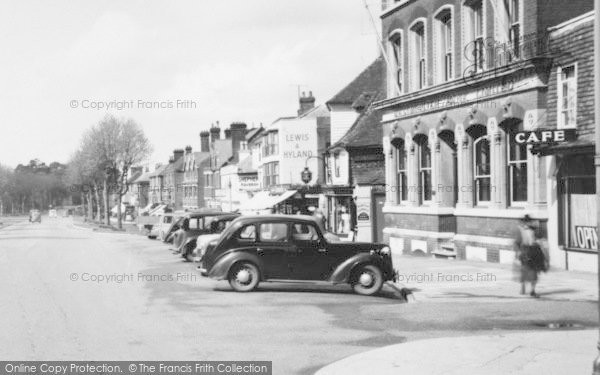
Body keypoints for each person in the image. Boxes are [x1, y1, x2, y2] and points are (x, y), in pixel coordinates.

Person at [514, 215, 548, 298]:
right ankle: (525, 288)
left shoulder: (534, 230)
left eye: (528, 221)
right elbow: (517, 243)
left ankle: (531, 290)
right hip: (526, 251)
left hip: (533, 251)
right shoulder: (521, 230)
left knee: (532, 272)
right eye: (526, 221)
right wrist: (518, 253)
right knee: (526, 271)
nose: (527, 223)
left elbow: (541, 240)